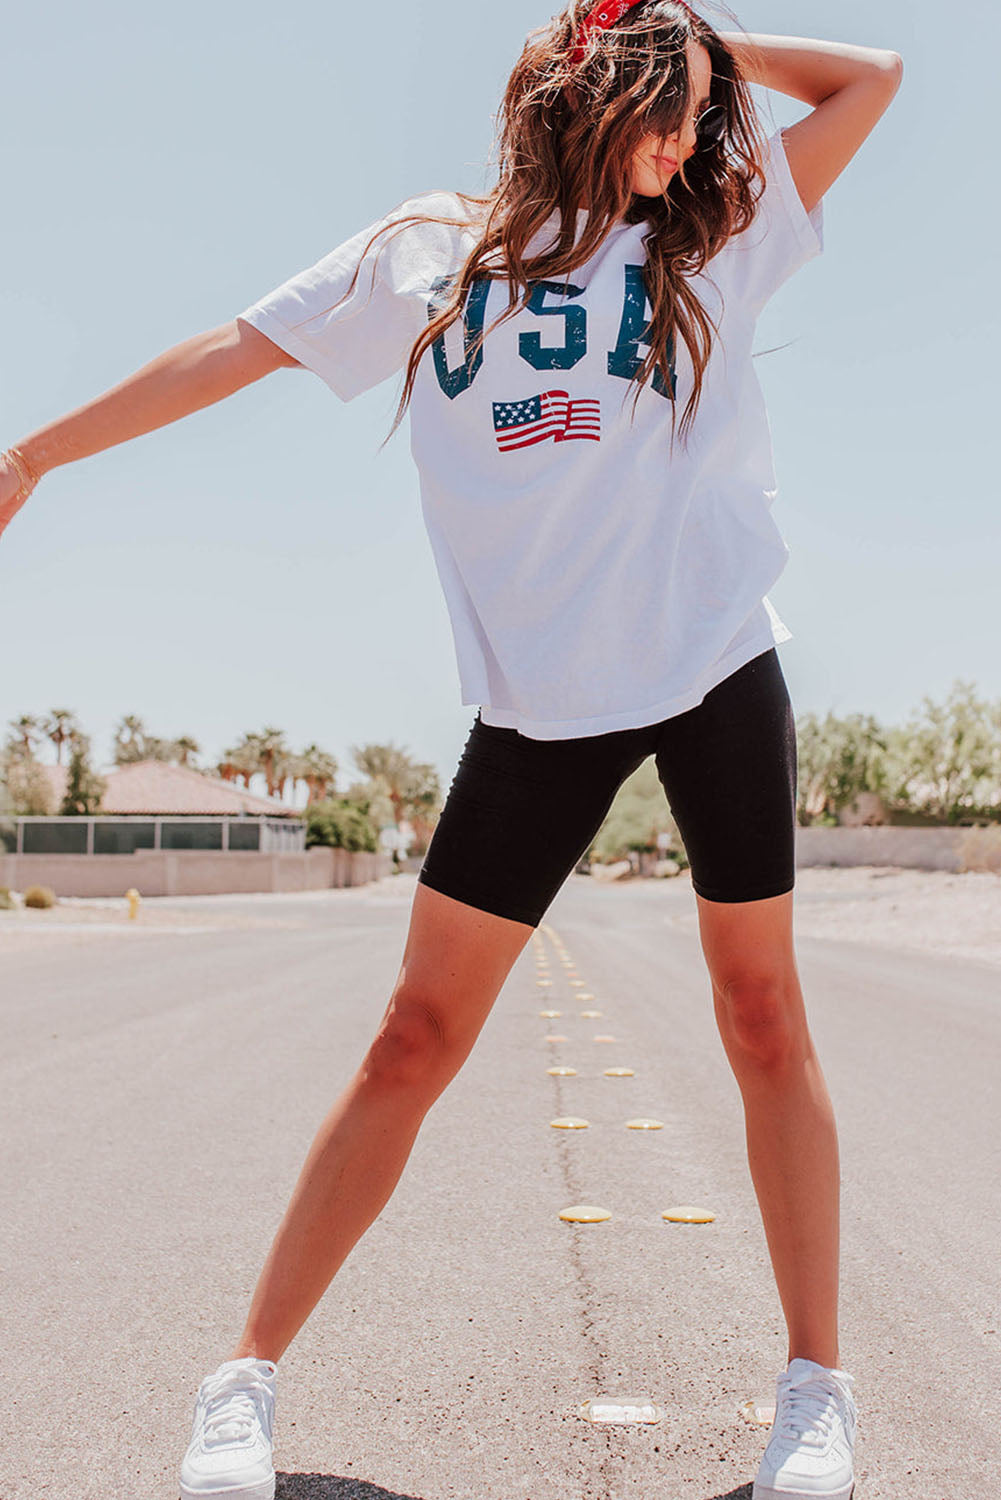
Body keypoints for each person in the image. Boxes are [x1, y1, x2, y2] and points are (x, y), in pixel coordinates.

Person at [0, 4, 903, 1497]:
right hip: (538, 702)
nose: (687, 144)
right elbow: (233, 349)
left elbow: (873, 77)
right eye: (662, 112)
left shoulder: (712, 232)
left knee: (760, 1017)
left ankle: (815, 1391)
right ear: (586, 98)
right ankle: (244, 1384)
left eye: (694, 117)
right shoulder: (426, 251)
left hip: (707, 662)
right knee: (413, 1037)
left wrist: (689, 31)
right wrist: (32, 454)